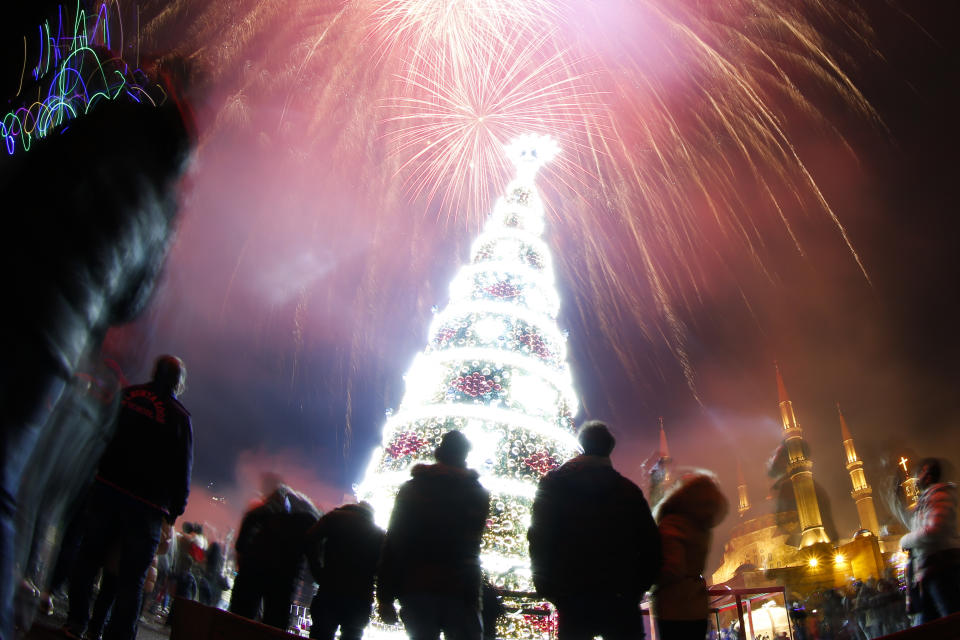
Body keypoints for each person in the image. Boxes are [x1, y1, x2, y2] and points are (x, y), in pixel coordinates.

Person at [63, 355, 193, 640]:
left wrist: (93, 477)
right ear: (179, 382)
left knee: (88, 560)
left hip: (107, 489)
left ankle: (76, 623)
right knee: (131, 580)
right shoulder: (179, 417)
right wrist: (173, 513)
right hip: (146, 507)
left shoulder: (126, 396)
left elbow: (99, 437)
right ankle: (116, 636)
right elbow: (182, 470)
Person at [528, 420, 662, 640]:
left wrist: (550, 588)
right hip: (619, 599)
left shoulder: (554, 486)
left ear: (582, 446)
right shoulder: (628, 492)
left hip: (572, 597)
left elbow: (539, 538)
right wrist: (634, 590)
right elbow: (651, 546)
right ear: (609, 449)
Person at [377, 430, 490, 640]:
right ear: (464, 456)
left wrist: (385, 596)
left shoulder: (413, 489)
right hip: (461, 589)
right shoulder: (477, 493)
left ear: (438, 453)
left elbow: (395, 542)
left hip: (417, 585)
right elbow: (471, 545)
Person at [649, 472, 728, 640]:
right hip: (697, 606)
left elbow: (672, 567)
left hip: (674, 607)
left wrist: (650, 581)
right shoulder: (701, 528)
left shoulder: (674, 524)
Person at [229, 485, 319, 630]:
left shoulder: (259, 513)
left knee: (239, 620)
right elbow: (313, 557)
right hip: (285, 577)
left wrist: (244, 564)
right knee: (274, 624)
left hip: (252, 570)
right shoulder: (308, 520)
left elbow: (240, 545)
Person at [306, 502, 385, 640]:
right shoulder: (378, 533)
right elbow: (383, 567)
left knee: (321, 633)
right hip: (360, 596)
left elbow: (309, 540)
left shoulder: (334, 518)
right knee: (352, 635)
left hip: (330, 588)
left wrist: (317, 570)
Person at [899, 457, 960, 624]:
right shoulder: (926, 499)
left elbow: (934, 530)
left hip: (942, 569)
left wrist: (905, 540)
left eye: (920, 473)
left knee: (950, 619)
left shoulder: (939, 495)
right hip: (928, 572)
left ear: (928, 474)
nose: (917, 477)